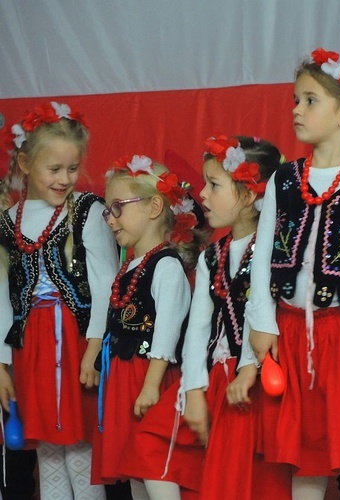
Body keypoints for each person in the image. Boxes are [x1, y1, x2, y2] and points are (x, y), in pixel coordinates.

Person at [234, 48, 340, 500]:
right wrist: (263, 322)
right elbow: (264, 257)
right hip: (290, 333)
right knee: (304, 449)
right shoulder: (283, 180)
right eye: (295, 99)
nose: (296, 109)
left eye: (310, 100)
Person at [0, 102, 117, 500]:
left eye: (72, 169)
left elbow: (106, 285)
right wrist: (1, 362)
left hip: (76, 341)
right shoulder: (6, 221)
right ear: (26, 164)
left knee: (81, 451)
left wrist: (93, 348)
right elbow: (3, 297)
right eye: (55, 169)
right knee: (48, 453)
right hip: (30, 347)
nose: (65, 178)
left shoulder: (85, 211)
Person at [178, 134, 290, 498]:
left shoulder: (276, 248)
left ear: (249, 195)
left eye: (213, 184)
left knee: (254, 484)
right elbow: (198, 328)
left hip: (254, 385)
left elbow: (264, 313)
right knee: (150, 446)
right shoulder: (213, 254)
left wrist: (247, 370)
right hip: (216, 381)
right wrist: (193, 388)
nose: (203, 194)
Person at [92, 154, 202, 499]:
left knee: (154, 465)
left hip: (150, 379)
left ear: (155, 206)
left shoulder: (166, 266)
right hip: (126, 381)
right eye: (108, 210)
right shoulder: (131, 265)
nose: (110, 220)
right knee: (134, 469)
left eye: (118, 207)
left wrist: (151, 386)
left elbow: (167, 332)